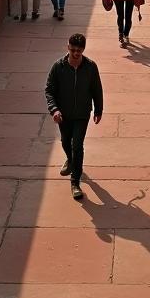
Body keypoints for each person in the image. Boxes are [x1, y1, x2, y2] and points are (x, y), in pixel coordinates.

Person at [45, 33, 103, 201]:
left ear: (83, 49)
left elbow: (96, 89)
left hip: (82, 114)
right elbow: (49, 90)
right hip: (63, 114)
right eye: (73, 50)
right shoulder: (58, 67)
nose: (76, 53)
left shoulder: (90, 67)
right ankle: (71, 160)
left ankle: (75, 182)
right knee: (65, 141)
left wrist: (98, 110)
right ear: (68, 47)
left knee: (77, 145)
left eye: (79, 50)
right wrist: (54, 109)